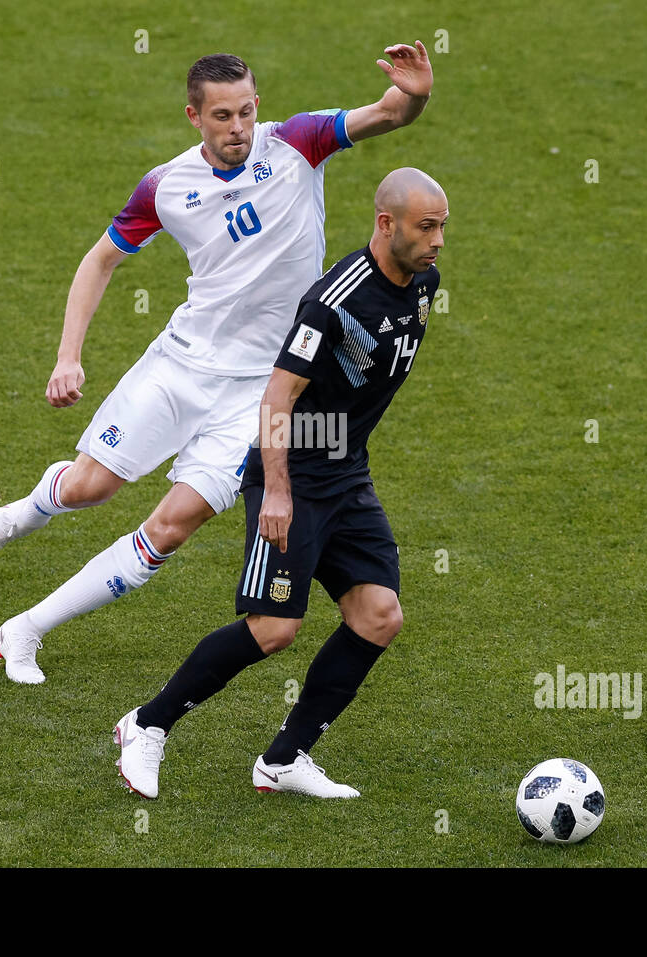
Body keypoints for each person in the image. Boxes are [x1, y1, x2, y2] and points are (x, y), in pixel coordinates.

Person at [0, 46, 435, 685]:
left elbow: (389, 113)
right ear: (194, 116)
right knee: (90, 489)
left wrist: (416, 94)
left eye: (245, 112)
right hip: (181, 366)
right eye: (222, 116)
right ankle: (37, 505)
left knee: (172, 527)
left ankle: (25, 629)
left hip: (261, 391)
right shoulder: (166, 185)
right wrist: (68, 357)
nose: (238, 127)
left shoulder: (298, 142)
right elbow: (100, 260)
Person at [114, 168, 448, 798]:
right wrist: (278, 491)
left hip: (346, 473)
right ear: (386, 223)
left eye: (441, 228)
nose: (436, 242)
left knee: (378, 616)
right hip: (291, 472)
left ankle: (285, 759)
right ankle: (147, 724)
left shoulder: (423, 283)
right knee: (273, 629)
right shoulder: (335, 302)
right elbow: (277, 393)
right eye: (425, 227)